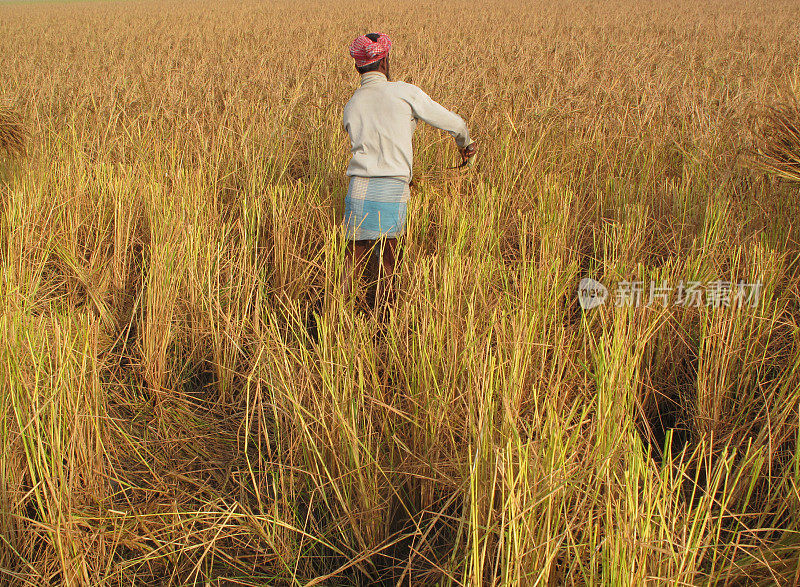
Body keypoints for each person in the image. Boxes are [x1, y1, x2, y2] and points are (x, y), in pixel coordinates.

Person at [341, 32, 477, 304]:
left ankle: (338, 314)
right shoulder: (404, 92)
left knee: (351, 261)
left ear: (357, 66)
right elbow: (456, 124)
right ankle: (385, 321)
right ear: (385, 61)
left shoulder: (352, 105)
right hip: (393, 186)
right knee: (390, 263)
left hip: (358, 187)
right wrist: (466, 144)